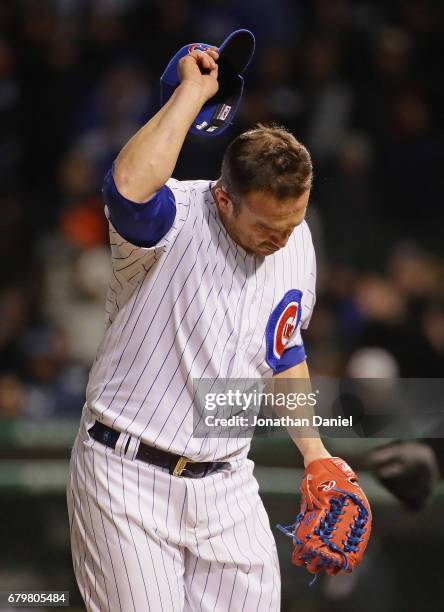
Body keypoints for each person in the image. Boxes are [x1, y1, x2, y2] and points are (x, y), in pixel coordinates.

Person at [67, 45, 365, 612]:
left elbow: (283, 352)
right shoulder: (170, 219)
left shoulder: (296, 240)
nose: (283, 237)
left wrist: (317, 453)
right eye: (267, 224)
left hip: (228, 484)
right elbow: (127, 186)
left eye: (293, 220)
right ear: (224, 199)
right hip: (128, 477)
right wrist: (191, 94)